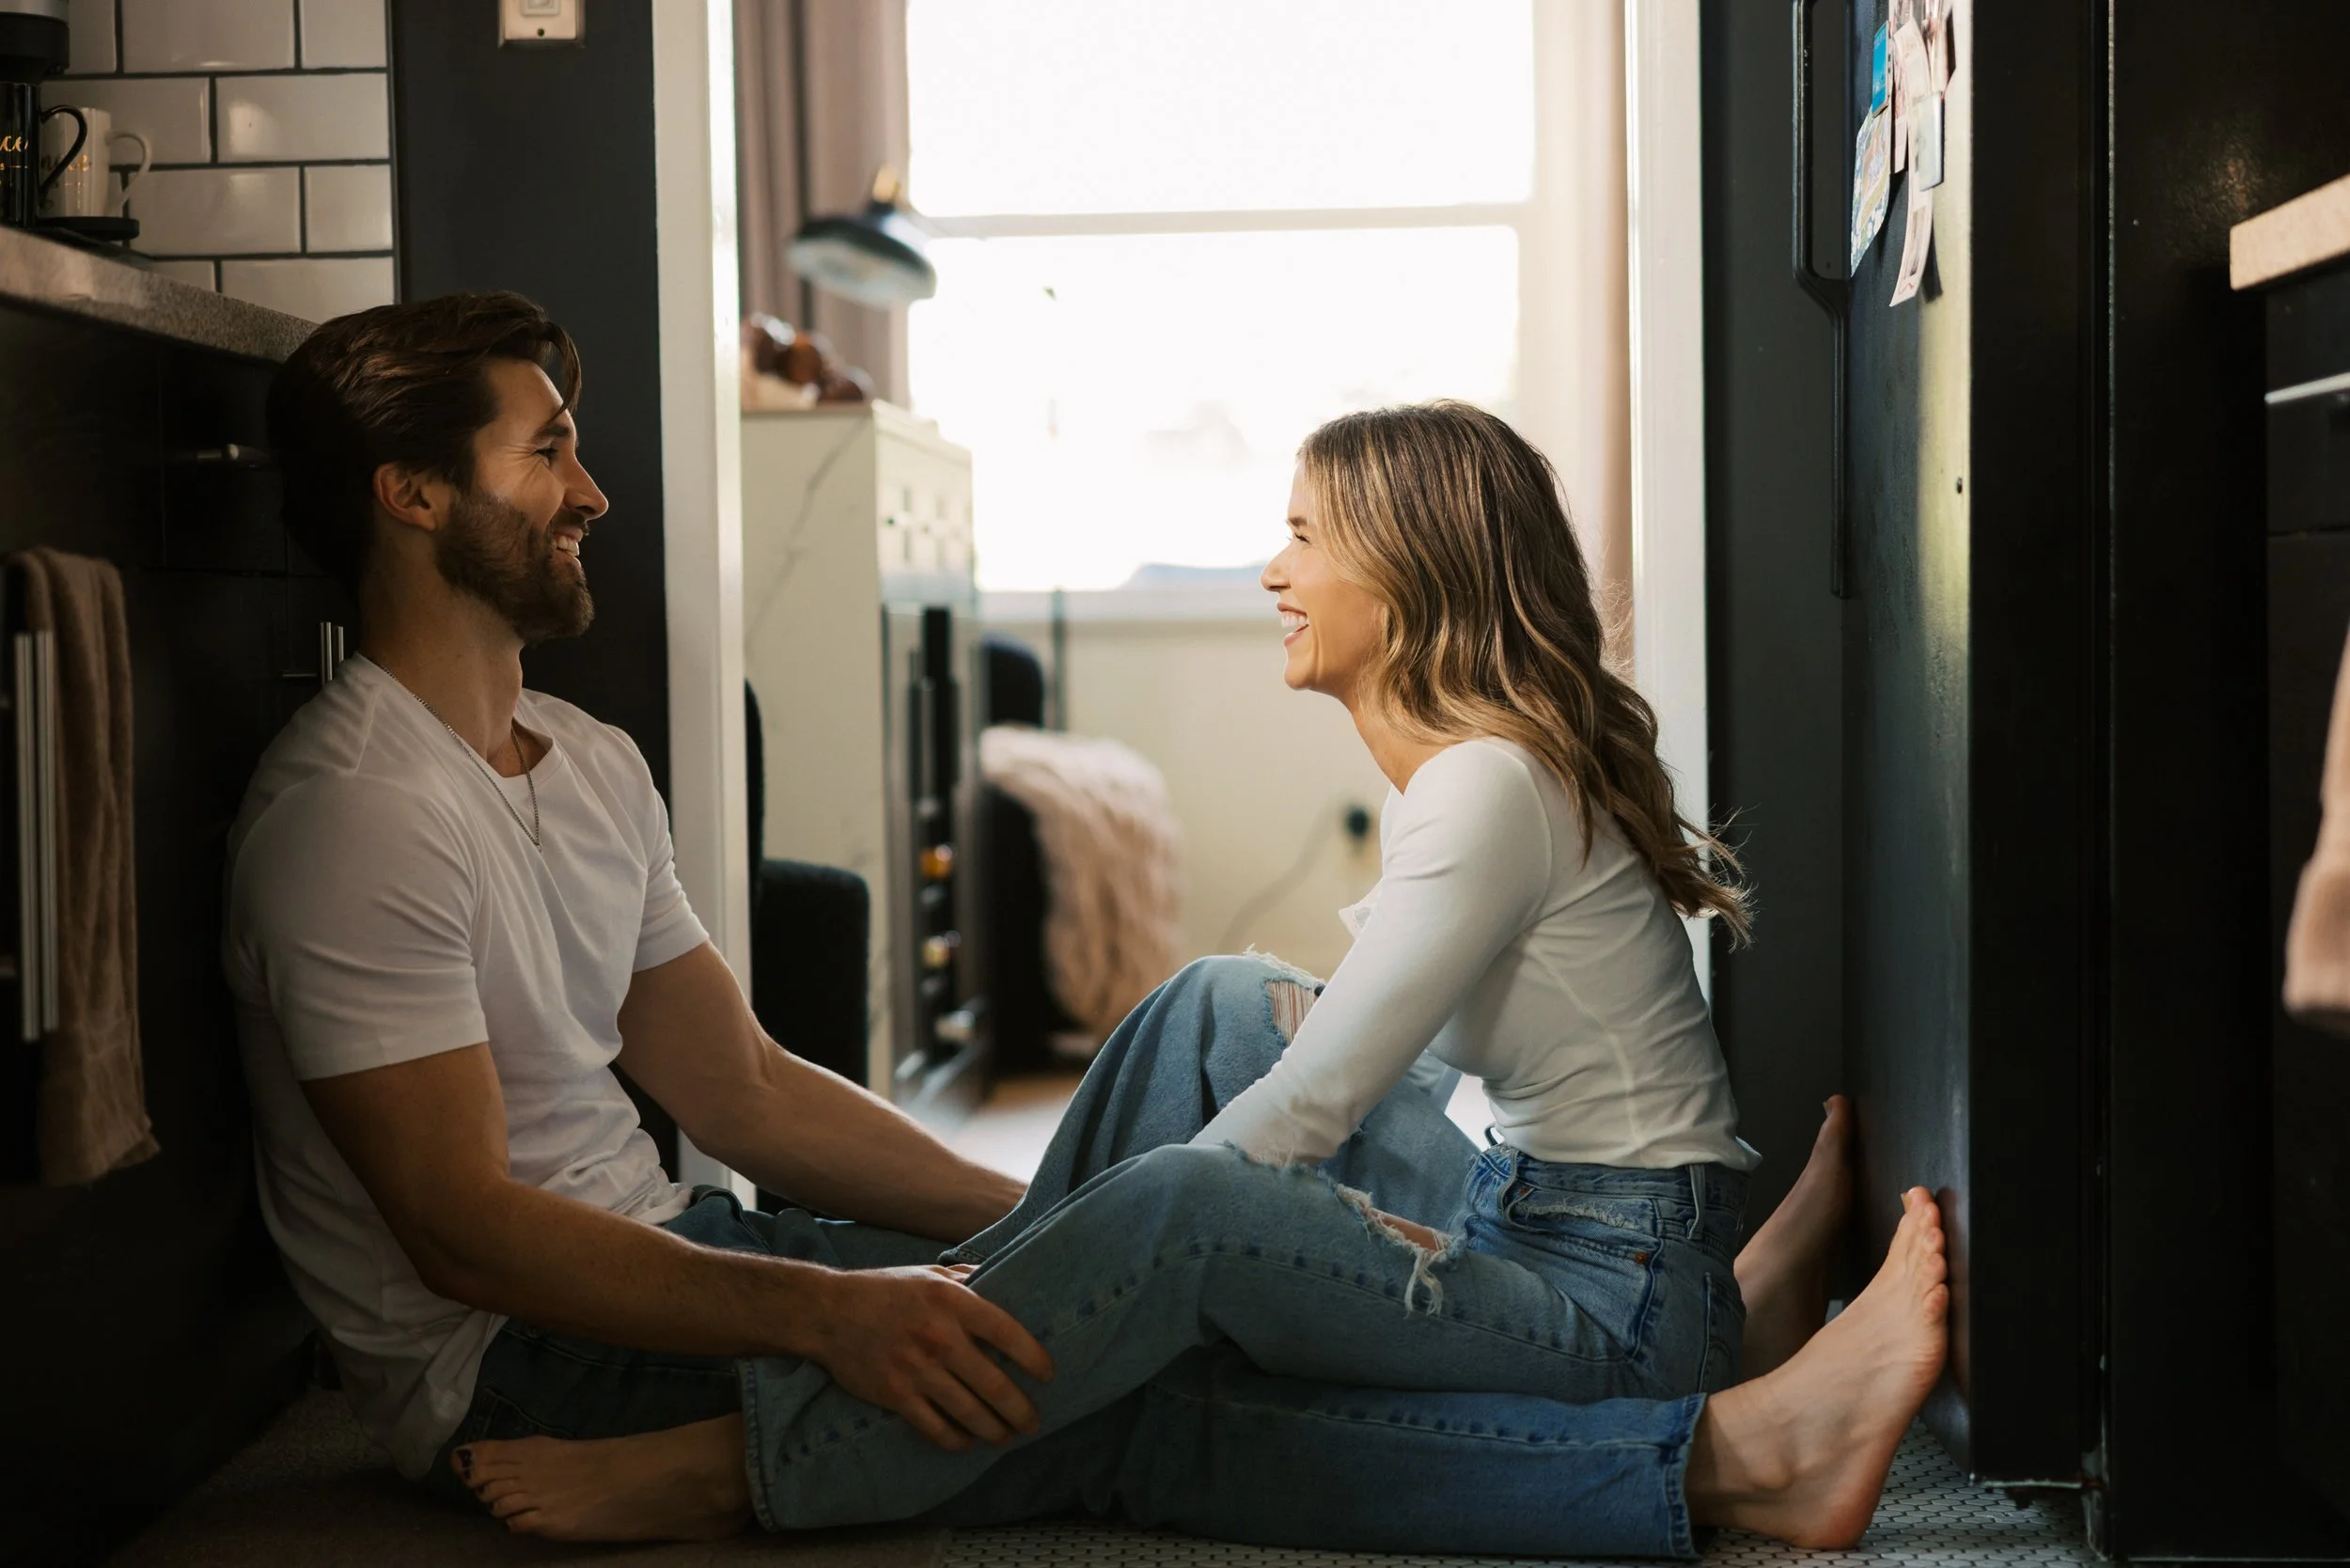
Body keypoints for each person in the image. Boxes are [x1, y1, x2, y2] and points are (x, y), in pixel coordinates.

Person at [228, 291, 1947, 1560]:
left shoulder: (587, 762)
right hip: (527, 1360)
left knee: (1210, 1023)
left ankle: (1667, 1317)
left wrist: (1056, 1248)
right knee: (1134, 1385)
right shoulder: (357, 813)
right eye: (548, 452)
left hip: (691, 1240)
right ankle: (1719, 1457)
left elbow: (738, 1091)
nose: (595, 490)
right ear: (411, 495)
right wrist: (878, 1310)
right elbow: (463, 1236)